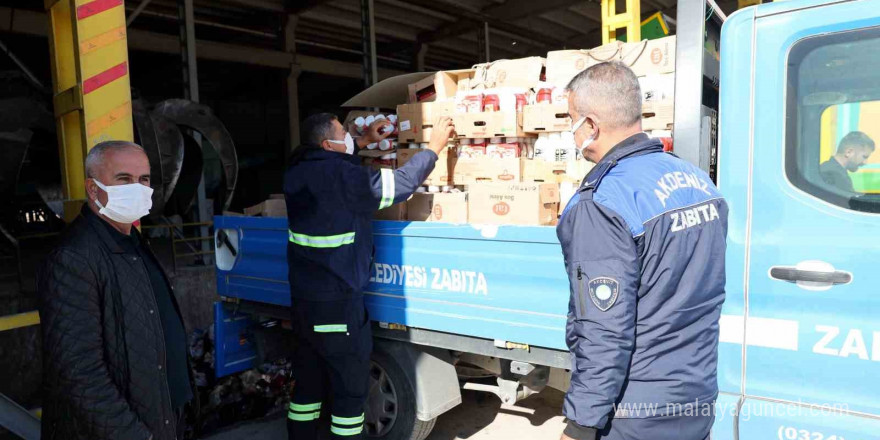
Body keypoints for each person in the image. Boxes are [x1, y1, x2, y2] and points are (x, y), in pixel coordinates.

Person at [557, 62, 728, 440]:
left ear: (591, 125)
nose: (571, 132)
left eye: (571, 120)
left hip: (636, 408)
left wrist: (581, 424)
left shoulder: (604, 201)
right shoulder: (699, 181)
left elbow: (604, 331)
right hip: (696, 394)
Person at [283, 113, 454, 439]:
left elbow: (328, 170)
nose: (348, 135)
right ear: (328, 144)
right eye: (342, 132)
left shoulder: (296, 170)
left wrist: (362, 143)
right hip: (338, 306)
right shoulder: (344, 177)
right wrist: (433, 148)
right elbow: (402, 185)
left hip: (304, 302)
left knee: (308, 389)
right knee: (349, 394)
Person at [37, 141, 195, 440]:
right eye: (124, 179)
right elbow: (79, 372)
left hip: (161, 417)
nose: (137, 188)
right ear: (93, 190)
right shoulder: (73, 258)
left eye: (144, 180)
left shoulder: (134, 242)